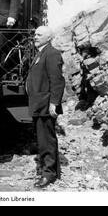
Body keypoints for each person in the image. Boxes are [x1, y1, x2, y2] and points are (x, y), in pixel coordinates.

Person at [26, 26, 65, 188]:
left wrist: (53, 104)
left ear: (48, 38)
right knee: (43, 139)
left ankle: (48, 174)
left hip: (45, 104)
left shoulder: (52, 53)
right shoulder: (42, 52)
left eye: (39, 35)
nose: (35, 36)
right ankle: (47, 169)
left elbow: (57, 81)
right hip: (39, 103)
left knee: (46, 140)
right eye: (35, 34)